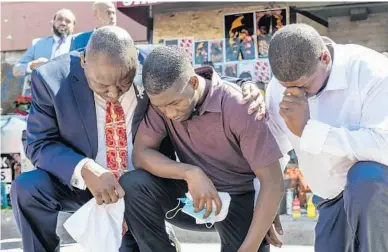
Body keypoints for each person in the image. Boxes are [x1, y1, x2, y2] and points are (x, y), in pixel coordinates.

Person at [11, 26, 264, 252]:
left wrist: (245, 86)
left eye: (123, 84)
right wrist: (84, 168)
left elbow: (197, 83)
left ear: (135, 62)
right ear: (84, 62)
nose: (112, 94)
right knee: (27, 188)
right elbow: (39, 143)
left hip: (143, 186)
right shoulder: (50, 80)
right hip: (85, 186)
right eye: (102, 86)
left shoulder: (153, 60)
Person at [121, 46, 285, 252]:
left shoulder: (240, 105)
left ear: (193, 81)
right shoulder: (163, 101)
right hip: (193, 196)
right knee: (133, 184)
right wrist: (190, 173)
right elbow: (141, 155)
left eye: (175, 103)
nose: (169, 113)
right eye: (162, 108)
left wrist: (249, 248)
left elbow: (273, 182)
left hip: (239, 200)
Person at [265, 23, 388, 252]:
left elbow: (384, 147)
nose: (295, 94)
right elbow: (272, 151)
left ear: (324, 58)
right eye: (286, 87)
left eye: (303, 85)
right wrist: (266, 202)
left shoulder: (372, 71)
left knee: (366, 178)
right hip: (329, 197)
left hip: (378, 194)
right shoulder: (276, 89)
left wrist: (309, 131)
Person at [13, 9, 77, 77]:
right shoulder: (37, 44)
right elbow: (16, 70)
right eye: (60, 19)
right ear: (53, 22)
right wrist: (31, 66)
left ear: (73, 26)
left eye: (68, 21)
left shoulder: (80, 44)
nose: (63, 23)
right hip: (40, 86)